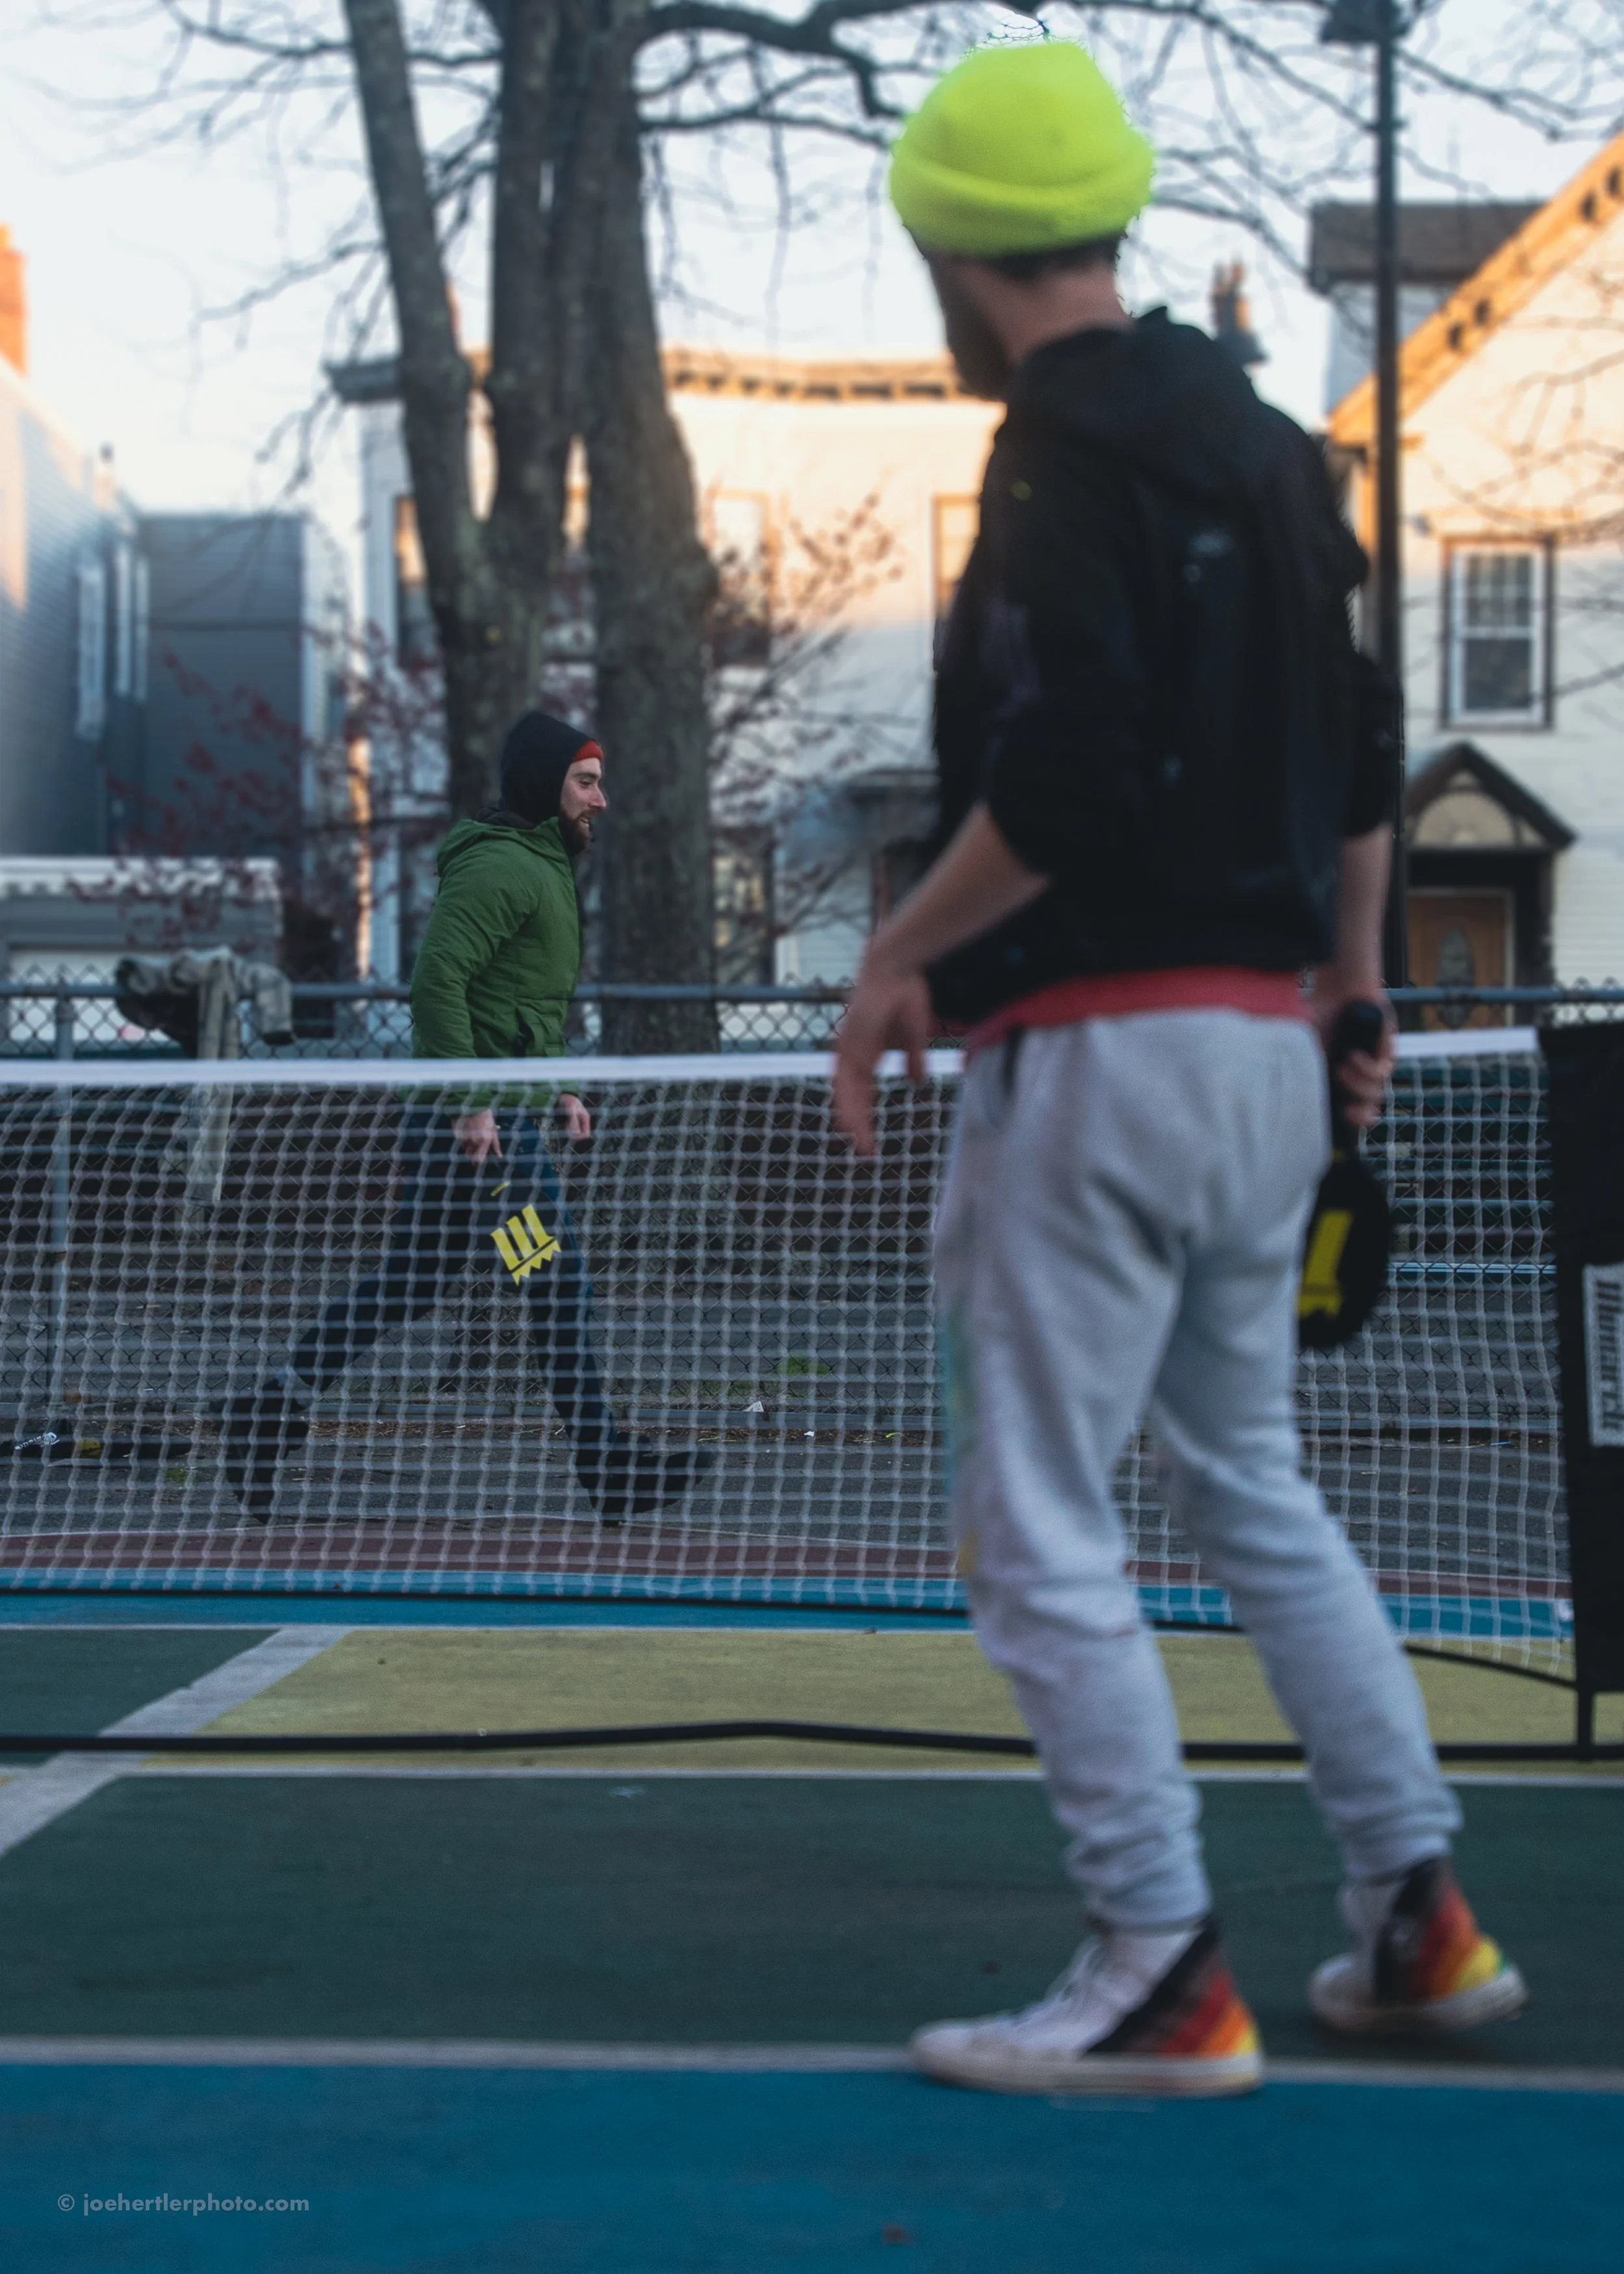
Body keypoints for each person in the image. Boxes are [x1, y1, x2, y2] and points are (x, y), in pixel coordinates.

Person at [833, 41, 1525, 2097]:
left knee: (1039, 1517)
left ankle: (1154, 1960)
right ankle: (1416, 1911)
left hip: (1096, 1044)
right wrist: (1349, 992)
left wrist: (888, 951)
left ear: (954, 255)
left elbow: (1054, 781)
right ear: (1107, 222)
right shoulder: (1259, 444)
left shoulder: (1054, 453)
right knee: (1254, 1490)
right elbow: (1359, 726)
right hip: (1255, 1054)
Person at [221, 711, 710, 1524]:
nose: (602, 799)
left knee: (412, 1281)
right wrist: (475, 1101)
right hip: (483, 1141)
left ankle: (264, 1411)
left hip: (489, 1121)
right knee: (554, 1281)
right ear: (544, 786)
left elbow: (513, 997)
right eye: (585, 782)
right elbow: (436, 984)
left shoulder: (542, 865)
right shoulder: (501, 868)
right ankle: (608, 1464)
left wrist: (553, 1083)